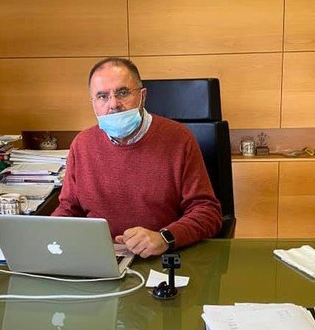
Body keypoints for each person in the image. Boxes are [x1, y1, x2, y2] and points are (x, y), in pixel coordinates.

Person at [52, 57, 222, 258]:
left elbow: (207, 212)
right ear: (93, 104)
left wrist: (165, 238)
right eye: (102, 96)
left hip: (162, 257)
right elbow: (69, 210)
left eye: (123, 93)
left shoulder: (179, 139)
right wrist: (46, 236)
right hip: (101, 259)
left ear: (143, 96)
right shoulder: (82, 145)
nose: (113, 104)